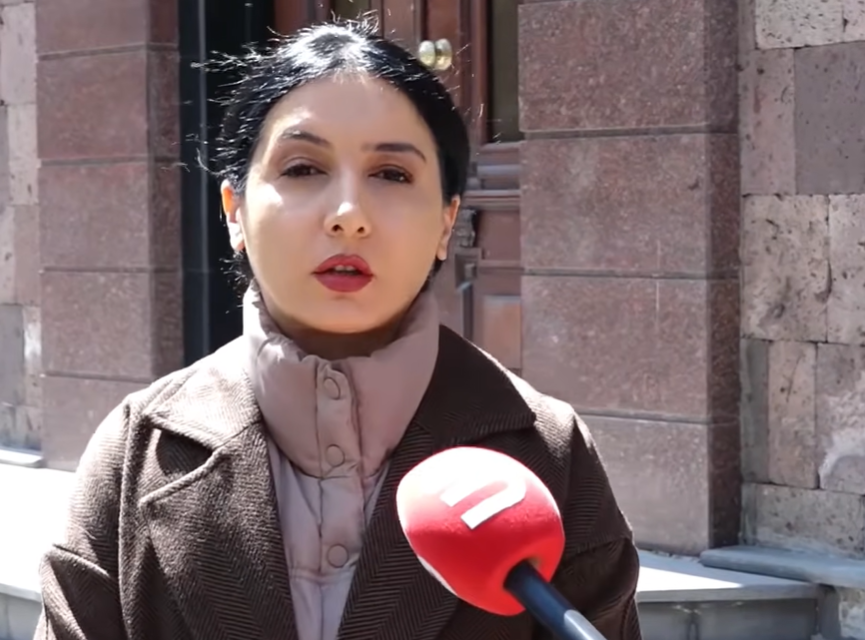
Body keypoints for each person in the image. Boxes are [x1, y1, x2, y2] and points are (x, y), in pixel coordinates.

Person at [32, 20, 642, 640]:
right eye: (302, 168)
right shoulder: (137, 450)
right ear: (235, 212)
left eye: (392, 175)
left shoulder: (550, 452)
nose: (349, 216)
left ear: (445, 222)